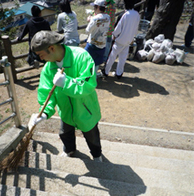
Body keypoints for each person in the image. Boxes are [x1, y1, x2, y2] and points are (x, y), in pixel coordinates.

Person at [28, 30, 103, 162]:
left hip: (86, 109)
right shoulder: (48, 69)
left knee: (92, 136)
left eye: (40, 54)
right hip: (66, 110)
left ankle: (97, 155)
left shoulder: (81, 56)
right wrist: (44, 112)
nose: (40, 59)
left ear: (51, 48)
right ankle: (69, 150)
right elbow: (46, 94)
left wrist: (65, 83)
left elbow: (89, 84)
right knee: (65, 133)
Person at [102, 0, 140, 79]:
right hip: (128, 40)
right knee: (122, 58)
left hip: (120, 40)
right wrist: (133, 36)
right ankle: (119, 73)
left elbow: (118, 28)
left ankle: (106, 72)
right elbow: (136, 28)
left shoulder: (125, 15)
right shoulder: (137, 14)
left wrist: (114, 35)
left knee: (112, 57)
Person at [85, 0, 110, 72]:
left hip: (92, 44)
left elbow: (87, 31)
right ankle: (94, 79)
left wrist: (90, 20)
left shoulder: (94, 18)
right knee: (96, 64)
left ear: (98, 7)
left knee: (86, 62)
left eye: (94, 7)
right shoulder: (108, 17)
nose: (93, 9)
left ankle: (87, 79)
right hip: (102, 44)